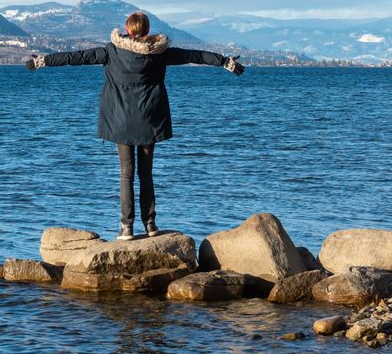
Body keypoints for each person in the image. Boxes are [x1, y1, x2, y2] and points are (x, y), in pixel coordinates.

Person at [25, 12, 244, 240]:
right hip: (149, 119)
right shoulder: (160, 53)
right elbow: (195, 55)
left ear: (127, 30)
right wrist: (225, 62)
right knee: (146, 173)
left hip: (120, 121)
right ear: (146, 31)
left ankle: (126, 227)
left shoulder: (111, 52)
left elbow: (76, 57)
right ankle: (150, 225)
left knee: (126, 174)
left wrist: (43, 61)